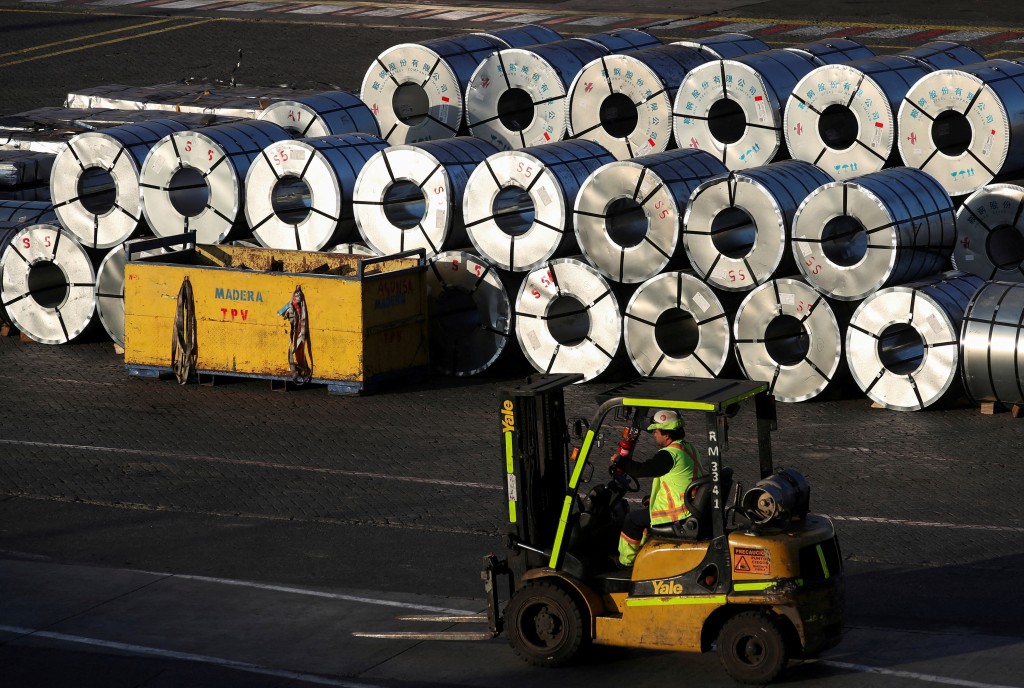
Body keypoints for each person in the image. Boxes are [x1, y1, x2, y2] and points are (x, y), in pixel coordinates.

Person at [610, 409, 703, 567]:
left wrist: (621, 462)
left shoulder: (669, 455)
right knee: (646, 509)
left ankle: (625, 563)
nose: (654, 435)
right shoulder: (688, 448)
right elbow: (674, 483)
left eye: (656, 431)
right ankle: (643, 553)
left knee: (632, 520)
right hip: (686, 506)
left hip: (676, 513)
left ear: (666, 435)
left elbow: (642, 470)